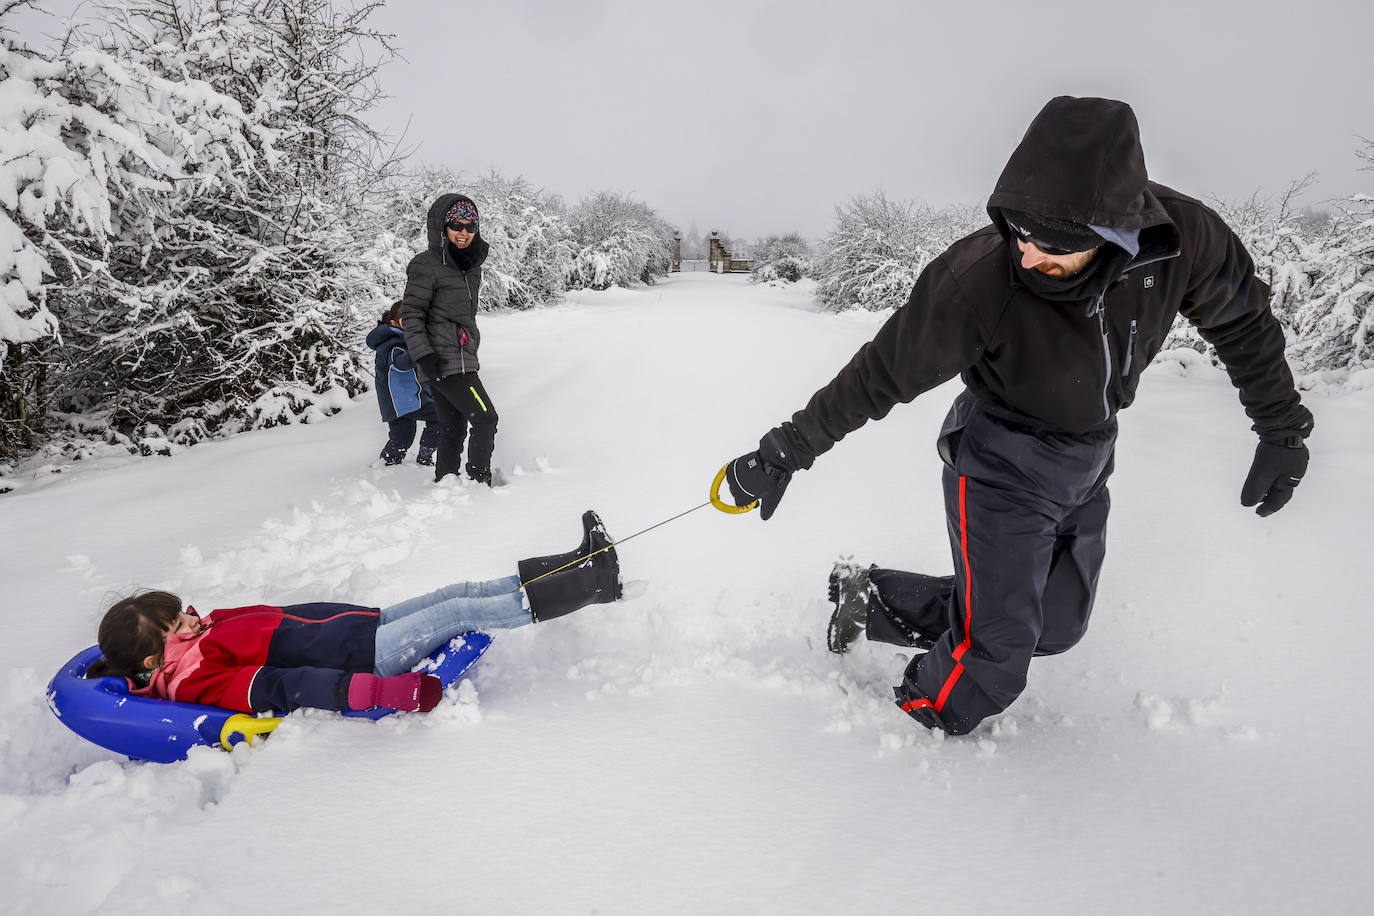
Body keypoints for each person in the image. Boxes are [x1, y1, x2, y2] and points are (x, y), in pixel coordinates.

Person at [722, 96, 1314, 737]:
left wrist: (1280, 428)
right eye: (1022, 236)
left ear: (1112, 235)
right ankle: (905, 735)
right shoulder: (978, 280)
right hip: (998, 458)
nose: (1030, 257)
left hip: (1087, 458)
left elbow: (1246, 325)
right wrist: (785, 450)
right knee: (989, 664)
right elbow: (878, 374)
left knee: (1055, 624)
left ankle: (869, 598)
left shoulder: (1182, 242)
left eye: (1054, 248)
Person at [85, 512, 623, 714]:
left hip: (366, 628)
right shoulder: (197, 674)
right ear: (158, 656)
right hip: (366, 659)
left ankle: (578, 563)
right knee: (461, 609)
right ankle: (591, 587)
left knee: (456, 590)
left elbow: (296, 618)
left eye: (181, 614)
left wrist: (363, 614)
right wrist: (370, 691)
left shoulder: (203, 633)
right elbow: (281, 684)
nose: (192, 620)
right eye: (179, 625)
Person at [401, 193, 500, 486]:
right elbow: (412, 314)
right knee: (486, 418)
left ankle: (445, 482)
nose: (464, 233)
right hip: (443, 362)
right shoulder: (426, 264)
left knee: (453, 426)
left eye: (471, 227)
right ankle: (479, 481)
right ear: (442, 227)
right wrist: (424, 355)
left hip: (460, 357)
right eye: (457, 225)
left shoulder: (470, 268)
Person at [366, 302, 440, 466]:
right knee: (439, 417)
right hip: (401, 401)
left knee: (403, 436)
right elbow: (401, 364)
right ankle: (422, 455)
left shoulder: (401, 339)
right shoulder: (392, 343)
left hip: (405, 399)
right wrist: (420, 348)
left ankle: (391, 459)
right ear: (394, 323)